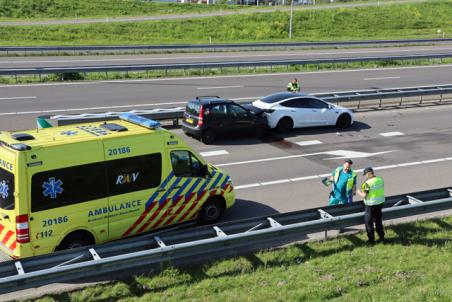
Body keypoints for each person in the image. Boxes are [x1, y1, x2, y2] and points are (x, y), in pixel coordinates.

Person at [357, 167, 385, 245]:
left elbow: (364, 195)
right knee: (378, 221)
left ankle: (371, 240)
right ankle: (381, 237)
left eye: (365, 174)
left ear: (369, 173)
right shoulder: (380, 179)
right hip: (380, 203)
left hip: (370, 205)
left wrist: (358, 191)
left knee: (368, 223)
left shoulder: (367, 183)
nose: (365, 176)